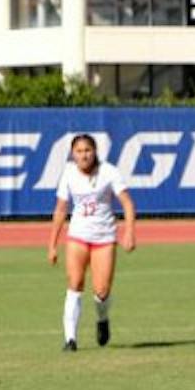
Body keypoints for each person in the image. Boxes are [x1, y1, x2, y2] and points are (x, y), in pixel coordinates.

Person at [46, 133, 137, 351]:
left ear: (95, 151)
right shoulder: (68, 173)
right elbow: (60, 210)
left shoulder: (109, 172)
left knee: (102, 291)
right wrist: (52, 243)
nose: (84, 155)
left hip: (104, 238)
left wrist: (129, 232)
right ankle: (70, 339)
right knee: (75, 283)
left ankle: (102, 319)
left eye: (87, 150)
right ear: (72, 154)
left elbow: (127, 203)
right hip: (77, 236)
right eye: (79, 151)